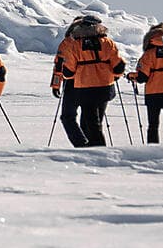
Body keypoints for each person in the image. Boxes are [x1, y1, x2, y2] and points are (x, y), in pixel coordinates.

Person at [50, 15, 126, 148]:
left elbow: (60, 65)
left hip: (76, 84)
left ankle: (83, 146)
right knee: (91, 121)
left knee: (69, 117)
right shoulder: (104, 41)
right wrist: (115, 75)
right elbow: (116, 63)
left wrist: (56, 84)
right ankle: (90, 146)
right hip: (101, 84)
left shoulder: (69, 42)